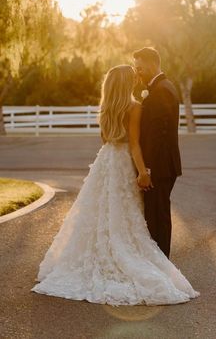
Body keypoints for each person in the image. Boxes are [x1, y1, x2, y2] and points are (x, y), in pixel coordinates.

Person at [31, 64, 200, 306]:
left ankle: (96, 254)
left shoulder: (107, 108)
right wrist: (142, 171)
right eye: (132, 77)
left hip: (106, 159)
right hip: (122, 162)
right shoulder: (134, 107)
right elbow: (134, 144)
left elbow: (106, 138)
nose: (136, 80)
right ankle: (121, 256)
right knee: (123, 210)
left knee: (100, 210)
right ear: (126, 83)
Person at [133, 47, 182, 259]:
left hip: (159, 167)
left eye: (140, 68)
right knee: (156, 215)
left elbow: (158, 135)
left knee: (157, 217)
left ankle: (161, 263)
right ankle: (160, 261)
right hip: (163, 166)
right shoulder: (163, 87)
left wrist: (147, 170)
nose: (138, 73)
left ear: (152, 64)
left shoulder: (161, 91)